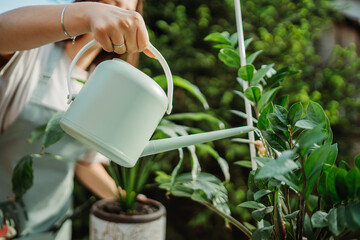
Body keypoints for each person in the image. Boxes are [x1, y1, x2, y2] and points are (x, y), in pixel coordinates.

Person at [0, 0, 151, 239]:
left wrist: (125, 199)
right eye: (110, 4)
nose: (118, 13)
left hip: (53, 226)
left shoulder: (103, 86)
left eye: (125, 8)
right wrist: (85, 15)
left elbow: (84, 161)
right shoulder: (33, 52)